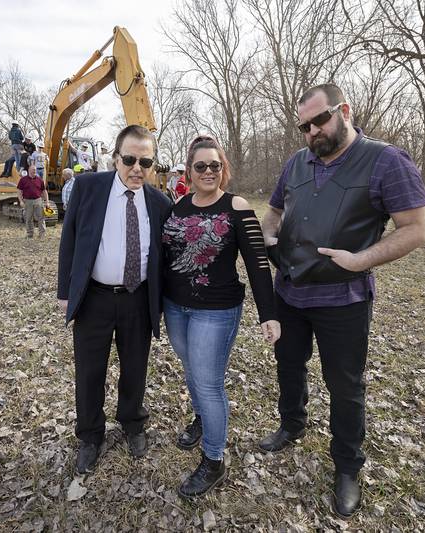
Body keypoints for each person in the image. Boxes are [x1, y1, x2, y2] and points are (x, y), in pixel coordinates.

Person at [260, 83, 425, 517]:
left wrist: (361, 260)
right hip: (290, 293)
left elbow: (417, 227)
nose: (313, 131)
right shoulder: (297, 162)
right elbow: (275, 210)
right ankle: (292, 424)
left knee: (345, 385)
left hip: (344, 299)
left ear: (345, 111)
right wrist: (267, 236)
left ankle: (347, 466)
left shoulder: (385, 160)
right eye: (304, 125)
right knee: (289, 367)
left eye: (320, 119)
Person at [162, 135, 280, 498]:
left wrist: (269, 314)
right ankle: (200, 418)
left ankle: (214, 461)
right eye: (201, 166)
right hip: (175, 307)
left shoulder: (237, 206)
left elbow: (258, 264)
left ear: (222, 168)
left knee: (209, 382)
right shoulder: (179, 205)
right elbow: (165, 256)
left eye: (215, 165)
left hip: (216, 311)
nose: (209, 171)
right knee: (190, 369)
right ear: (190, 171)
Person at [57, 124, 172, 475]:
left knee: (135, 368)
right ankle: (90, 435)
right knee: (90, 371)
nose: (138, 168)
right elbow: (70, 240)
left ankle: (133, 423)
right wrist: (65, 291)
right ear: (115, 158)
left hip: (138, 299)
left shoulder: (160, 202)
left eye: (146, 161)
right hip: (95, 298)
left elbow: (165, 257)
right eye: (130, 159)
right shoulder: (89, 188)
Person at [17, 163, 48, 239]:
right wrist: (20, 201)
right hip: (27, 201)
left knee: (41, 218)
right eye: (32, 170)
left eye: (35, 170)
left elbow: (44, 191)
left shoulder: (39, 180)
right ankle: (30, 234)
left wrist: (47, 201)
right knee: (28, 218)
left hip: (38, 200)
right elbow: (19, 191)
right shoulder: (23, 180)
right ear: (29, 170)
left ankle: (42, 234)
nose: (34, 171)